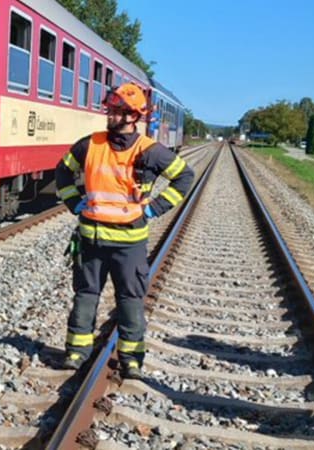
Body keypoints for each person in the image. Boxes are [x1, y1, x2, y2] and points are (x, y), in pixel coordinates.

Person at [54, 83, 194, 379]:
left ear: (133, 116)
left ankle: (131, 359)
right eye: (110, 110)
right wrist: (74, 202)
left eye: (117, 111)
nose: (110, 115)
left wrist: (154, 208)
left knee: (130, 300)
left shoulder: (150, 151)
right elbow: (63, 171)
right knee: (86, 295)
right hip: (92, 238)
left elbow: (184, 176)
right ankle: (76, 351)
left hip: (128, 243)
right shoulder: (90, 144)